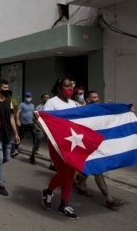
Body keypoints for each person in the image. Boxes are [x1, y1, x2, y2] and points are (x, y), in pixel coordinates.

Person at [73, 90, 124, 208]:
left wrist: (113, 107)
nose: (97, 99)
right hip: (84, 144)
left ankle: (80, 183)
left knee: (89, 167)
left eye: (98, 97)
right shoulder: (82, 111)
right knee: (97, 170)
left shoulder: (99, 108)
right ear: (88, 100)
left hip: (96, 144)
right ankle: (108, 198)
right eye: (94, 97)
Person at [41, 77, 80, 219]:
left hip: (73, 143)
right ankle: (48, 191)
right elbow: (45, 123)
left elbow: (89, 114)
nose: (70, 89)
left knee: (71, 174)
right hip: (57, 144)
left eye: (71, 86)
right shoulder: (51, 103)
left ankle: (64, 205)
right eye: (66, 86)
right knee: (64, 173)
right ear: (59, 88)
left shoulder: (74, 104)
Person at [16, 91, 37, 161]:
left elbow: (34, 114)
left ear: (31, 97)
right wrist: (17, 121)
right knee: (21, 137)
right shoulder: (22, 104)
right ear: (25, 97)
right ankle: (15, 148)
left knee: (35, 137)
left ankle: (34, 152)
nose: (28, 98)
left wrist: (36, 122)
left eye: (29, 97)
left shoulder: (33, 105)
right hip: (23, 124)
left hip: (31, 124)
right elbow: (18, 113)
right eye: (27, 97)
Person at [31, 93, 50, 165]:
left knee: (50, 144)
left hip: (48, 128)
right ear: (42, 98)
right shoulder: (38, 107)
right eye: (45, 97)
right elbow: (35, 119)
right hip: (40, 128)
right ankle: (32, 156)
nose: (47, 99)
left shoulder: (50, 107)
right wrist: (40, 127)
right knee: (37, 142)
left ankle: (52, 163)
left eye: (48, 97)